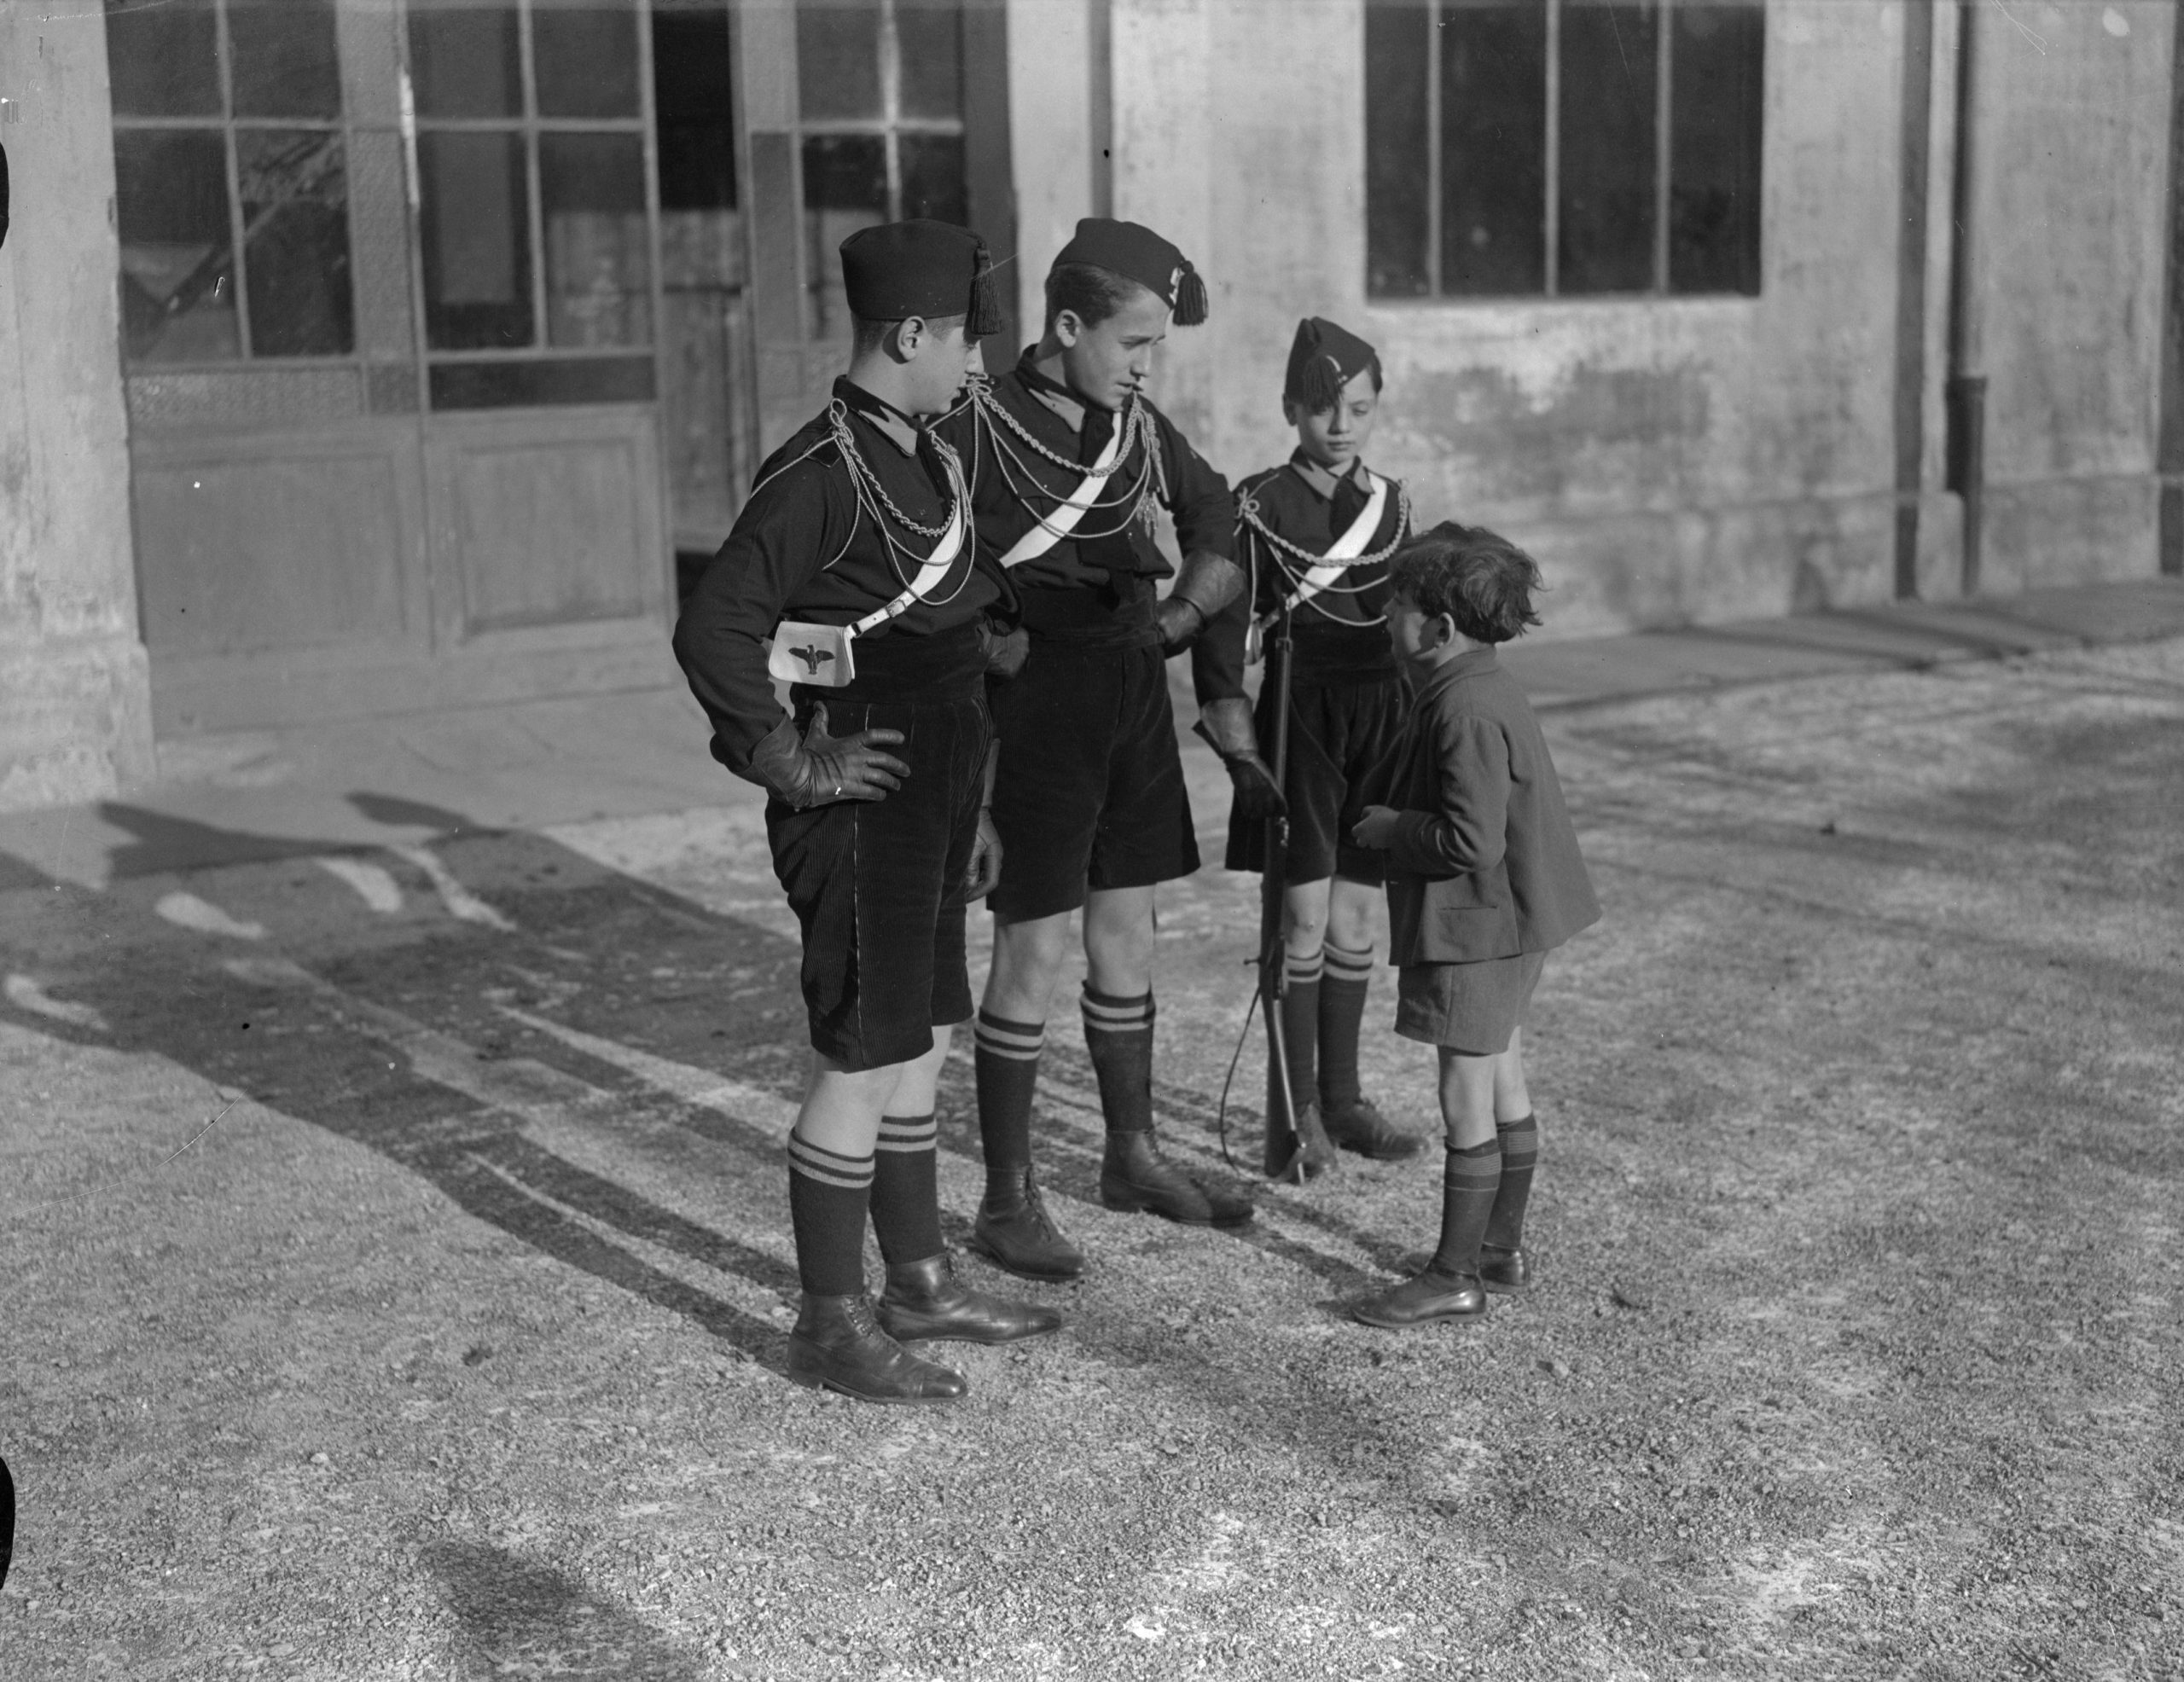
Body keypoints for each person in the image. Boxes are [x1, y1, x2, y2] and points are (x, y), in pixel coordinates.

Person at [673, 219, 1059, 1404]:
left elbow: (946, 634)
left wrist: (975, 801)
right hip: (861, 800)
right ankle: (829, 1320)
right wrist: (790, 760)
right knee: (861, 1053)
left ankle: (922, 1282)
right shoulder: (820, 473)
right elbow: (714, 627)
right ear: (910, 334)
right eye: (965, 342)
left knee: (922, 1039)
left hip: (936, 794)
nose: (978, 367)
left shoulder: (924, 454)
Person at [940, 217, 1253, 1282]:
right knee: (1035, 947)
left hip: (1130, 684)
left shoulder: (1137, 421)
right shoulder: (975, 425)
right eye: (1133, 344)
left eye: (1154, 346)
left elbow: (1220, 517)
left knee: (1131, 931)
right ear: (1066, 326)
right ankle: (1004, 1199)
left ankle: (1131, 1153)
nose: (1145, 364)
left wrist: (1179, 624)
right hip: (1035, 705)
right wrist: (991, 648)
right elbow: (926, 576)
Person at [1346, 525, 1600, 1328]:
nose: (1387, 614)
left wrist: (1390, 829)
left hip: (1477, 927)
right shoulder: (1485, 684)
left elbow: (1468, 840)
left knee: (1465, 1091)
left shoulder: (1462, 710)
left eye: (1398, 603)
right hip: (1516, 920)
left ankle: (1455, 1272)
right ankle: (1500, 1248)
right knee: (1504, 1078)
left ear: (1440, 628)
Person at [1197, 317, 1423, 1177]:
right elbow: (1225, 625)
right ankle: (1293, 1117)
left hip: (1381, 717)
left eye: (1358, 409)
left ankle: (1343, 1098)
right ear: (1292, 406)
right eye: (1323, 408)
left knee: (1358, 916)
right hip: (1300, 716)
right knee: (1300, 918)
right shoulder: (1258, 503)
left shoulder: (1394, 506)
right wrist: (1237, 745)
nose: (1340, 424)